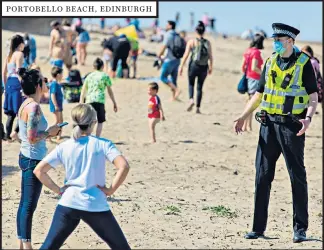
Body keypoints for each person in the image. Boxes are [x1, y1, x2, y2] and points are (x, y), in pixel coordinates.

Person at [234, 23, 318, 243]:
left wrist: (308, 119)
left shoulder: (304, 63)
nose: (275, 43)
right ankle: (258, 228)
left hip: (292, 127)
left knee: (296, 177)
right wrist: (244, 115)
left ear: (290, 41)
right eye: (274, 40)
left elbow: (313, 96)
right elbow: (260, 92)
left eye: (279, 40)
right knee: (262, 176)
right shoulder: (270, 61)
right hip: (268, 126)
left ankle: (300, 230)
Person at [33, 104, 130, 249]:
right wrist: (111, 190)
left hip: (68, 203)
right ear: (93, 123)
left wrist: (58, 190)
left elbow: (39, 171)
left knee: (48, 247)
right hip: (95, 205)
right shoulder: (103, 144)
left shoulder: (64, 146)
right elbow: (124, 166)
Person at [16, 68, 61, 249]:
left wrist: (48, 133)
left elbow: (25, 135)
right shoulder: (33, 106)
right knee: (28, 205)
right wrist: (50, 132)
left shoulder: (25, 103)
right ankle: (27, 246)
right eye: (43, 81)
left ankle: (21, 242)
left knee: (24, 203)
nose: (46, 84)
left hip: (26, 156)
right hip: (32, 159)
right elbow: (32, 136)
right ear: (37, 86)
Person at [179, 21, 213, 114]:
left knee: (191, 84)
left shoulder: (192, 41)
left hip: (193, 66)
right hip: (204, 67)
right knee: (199, 87)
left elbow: (186, 55)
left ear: (196, 31)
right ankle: (198, 108)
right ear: (204, 31)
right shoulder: (207, 42)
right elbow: (210, 56)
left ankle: (191, 100)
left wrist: (181, 66)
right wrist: (211, 67)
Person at [80, 58, 118, 137]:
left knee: (90, 120)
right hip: (99, 100)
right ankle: (97, 137)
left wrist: (81, 102)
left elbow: (83, 91)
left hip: (89, 100)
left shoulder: (89, 76)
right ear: (103, 66)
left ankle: (88, 135)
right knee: (100, 121)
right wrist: (114, 102)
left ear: (93, 67)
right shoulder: (104, 76)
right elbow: (109, 91)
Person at [2, 34, 25, 141]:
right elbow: (19, 71)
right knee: (22, 111)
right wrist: (23, 86)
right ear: (20, 43)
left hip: (9, 83)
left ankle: (7, 136)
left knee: (10, 113)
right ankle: (15, 133)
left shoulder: (9, 55)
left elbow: (3, 73)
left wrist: (6, 86)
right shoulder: (19, 54)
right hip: (17, 82)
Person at [240, 34, 264, 131]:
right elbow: (254, 67)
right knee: (252, 103)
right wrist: (264, 74)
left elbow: (243, 66)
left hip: (248, 78)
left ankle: (246, 126)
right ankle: (248, 126)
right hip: (255, 79)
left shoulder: (247, 51)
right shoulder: (256, 52)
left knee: (249, 102)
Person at [157, 20, 182, 101]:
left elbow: (164, 46)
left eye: (167, 25)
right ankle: (174, 97)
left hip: (169, 59)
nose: (165, 26)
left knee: (163, 77)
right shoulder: (177, 34)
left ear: (170, 26)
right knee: (173, 79)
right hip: (177, 59)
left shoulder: (168, 35)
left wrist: (159, 55)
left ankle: (176, 90)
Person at [49, 66, 64, 143]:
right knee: (56, 121)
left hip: (59, 105)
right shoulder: (54, 84)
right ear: (58, 75)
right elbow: (52, 95)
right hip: (56, 105)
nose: (62, 75)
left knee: (61, 121)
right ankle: (47, 134)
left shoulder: (57, 83)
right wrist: (55, 105)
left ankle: (58, 135)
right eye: (62, 74)